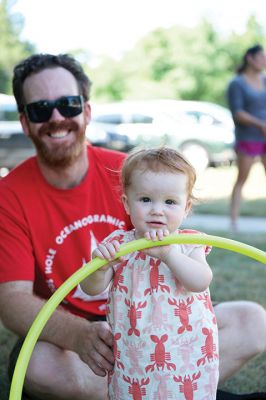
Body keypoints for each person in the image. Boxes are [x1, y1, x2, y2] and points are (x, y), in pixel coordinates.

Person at [0, 53, 265, 400]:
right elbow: (13, 299)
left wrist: (174, 322)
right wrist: (78, 335)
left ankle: (170, 383)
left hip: (160, 324)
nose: (56, 117)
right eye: (40, 109)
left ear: (87, 111)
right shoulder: (9, 195)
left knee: (253, 321)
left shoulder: (132, 173)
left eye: (68, 104)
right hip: (92, 342)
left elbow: (192, 272)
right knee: (36, 362)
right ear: (24, 121)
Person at [80, 147, 219, 399]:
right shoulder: (120, 245)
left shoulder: (188, 243)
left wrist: (169, 255)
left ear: (185, 207)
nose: (157, 210)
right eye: (145, 199)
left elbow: (201, 281)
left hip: (187, 356)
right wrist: (99, 267)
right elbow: (91, 288)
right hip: (134, 357)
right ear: (127, 204)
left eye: (170, 202)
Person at [227, 44, 266, 231]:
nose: (264, 60)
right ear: (250, 58)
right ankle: (233, 222)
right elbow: (238, 112)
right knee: (242, 178)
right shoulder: (237, 83)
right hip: (248, 138)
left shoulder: (265, 80)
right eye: (261, 57)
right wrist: (260, 124)